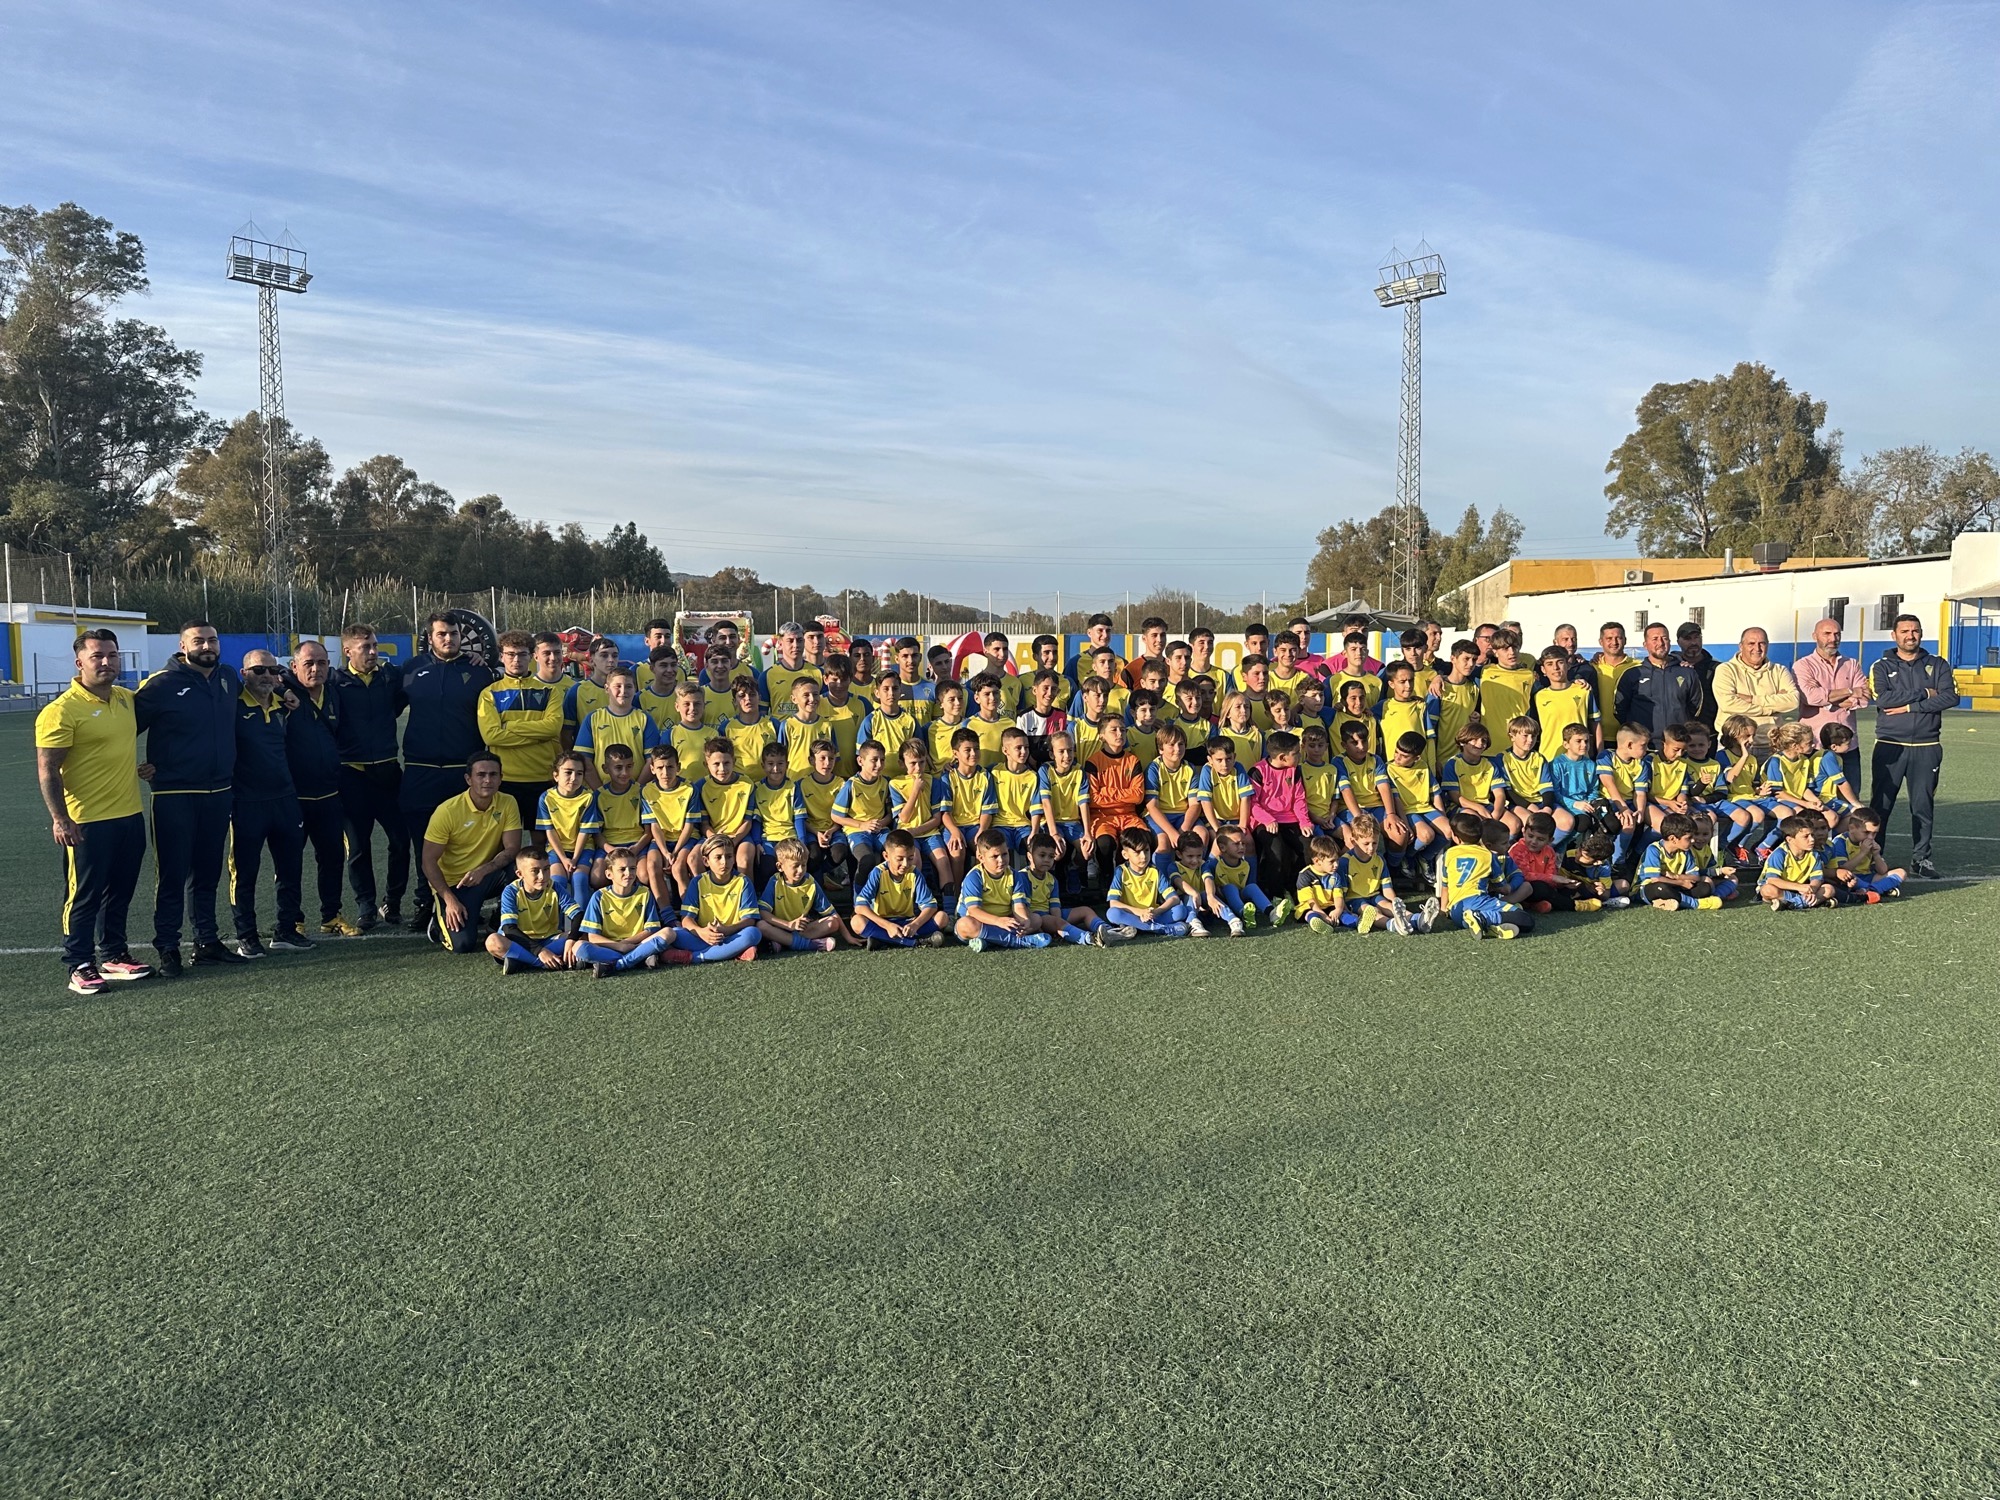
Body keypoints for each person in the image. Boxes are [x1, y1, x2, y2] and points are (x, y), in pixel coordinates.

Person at [36, 628, 154, 995]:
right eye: (97, 656)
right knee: (83, 895)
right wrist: (60, 819)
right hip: (86, 820)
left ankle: (114, 954)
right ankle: (79, 964)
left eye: (112, 655)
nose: (106, 662)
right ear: (79, 663)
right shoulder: (61, 711)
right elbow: (47, 770)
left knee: (120, 891)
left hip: (129, 814)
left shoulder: (126, 699)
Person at [135, 620, 243, 975]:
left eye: (213, 640)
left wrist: (285, 691)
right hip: (174, 793)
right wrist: (136, 766)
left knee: (207, 873)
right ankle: (168, 947)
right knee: (172, 874)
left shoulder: (228, 677)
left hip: (219, 791)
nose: (207, 646)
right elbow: (121, 727)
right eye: (199, 641)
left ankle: (206, 942)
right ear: (183, 646)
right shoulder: (161, 684)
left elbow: (262, 690)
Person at [402, 614, 497, 932]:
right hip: (421, 770)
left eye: (454, 633)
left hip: (462, 771)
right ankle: (424, 903)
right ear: (430, 637)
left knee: (466, 841)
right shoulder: (411, 669)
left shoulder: (479, 671)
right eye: (442, 634)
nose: (449, 639)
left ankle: (468, 900)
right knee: (423, 842)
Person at [229, 648, 312, 958]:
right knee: (244, 873)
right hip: (246, 802)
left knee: (290, 869)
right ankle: (247, 936)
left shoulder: (283, 705)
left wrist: (284, 690)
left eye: (272, 670)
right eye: (258, 670)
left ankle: (286, 930)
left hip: (285, 800)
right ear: (244, 674)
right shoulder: (231, 705)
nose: (266, 675)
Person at [1868, 613, 1958, 880]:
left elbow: (1950, 697)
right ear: (1894, 635)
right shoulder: (1881, 666)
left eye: (1915, 630)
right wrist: (1925, 692)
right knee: (1881, 806)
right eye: (1905, 631)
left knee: (1922, 806)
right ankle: (1874, 857)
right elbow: (1883, 698)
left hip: (1927, 746)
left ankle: (1921, 859)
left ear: (1921, 633)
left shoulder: (1937, 664)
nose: (1910, 635)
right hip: (1890, 745)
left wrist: (1910, 707)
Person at [332, 624, 409, 932]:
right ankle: (366, 906)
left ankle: (393, 902)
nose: (373, 652)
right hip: (352, 776)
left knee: (401, 841)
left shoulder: (390, 677)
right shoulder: (334, 682)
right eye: (366, 647)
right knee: (358, 847)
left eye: (375, 645)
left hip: (388, 774)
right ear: (348, 651)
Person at [419, 751, 523, 953]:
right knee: (463, 945)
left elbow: (512, 849)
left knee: (520, 868)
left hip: (487, 876)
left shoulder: (508, 802)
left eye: (493, 775)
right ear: (468, 779)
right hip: (454, 884)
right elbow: (428, 861)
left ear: (501, 778)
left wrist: (483, 870)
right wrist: (449, 899)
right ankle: (438, 918)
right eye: (481, 775)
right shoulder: (447, 811)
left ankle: (499, 919)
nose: (487, 780)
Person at [283, 640, 351, 938]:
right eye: (308, 663)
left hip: (329, 795)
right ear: (294, 666)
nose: (315, 669)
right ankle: (292, 919)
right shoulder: (282, 693)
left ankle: (331, 916)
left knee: (332, 858)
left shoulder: (333, 693)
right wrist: (282, 687)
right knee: (290, 861)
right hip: (293, 797)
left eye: (321, 663)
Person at [476, 629, 565, 829]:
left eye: (522, 654)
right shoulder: (489, 693)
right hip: (505, 779)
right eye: (510, 654)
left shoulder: (549, 691)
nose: (516, 660)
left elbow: (552, 728)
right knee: (505, 841)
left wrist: (511, 726)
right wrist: (538, 736)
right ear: (501, 656)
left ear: (531, 656)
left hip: (542, 777)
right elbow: (491, 736)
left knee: (540, 841)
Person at [1427, 811, 1533, 939]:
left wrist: (1444, 910)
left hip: (1457, 912)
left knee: (1489, 918)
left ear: (1456, 837)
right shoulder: (1488, 855)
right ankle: (1483, 918)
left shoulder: (1449, 854)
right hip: (1478, 902)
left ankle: (1487, 927)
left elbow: (1445, 886)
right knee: (1526, 920)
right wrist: (1508, 888)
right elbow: (1503, 889)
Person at [1793, 616, 1869, 788]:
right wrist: (1849, 691)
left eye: (1837, 634)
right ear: (1815, 636)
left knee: (1851, 794)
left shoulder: (1852, 664)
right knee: (1815, 795)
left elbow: (1864, 698)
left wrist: (1827, 701)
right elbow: (1811, 697)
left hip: (1848, 745)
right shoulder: (1803, 666)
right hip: (1813, 745)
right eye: (1827, 634)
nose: (1833, 639)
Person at [487, 848, 578, 973]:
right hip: (520, 942)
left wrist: (571, 939)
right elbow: (509, 929)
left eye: (546, 869)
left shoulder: (555, 887)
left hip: (549, 940)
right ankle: (543, 963)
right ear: (520, 874)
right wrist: (540, 951)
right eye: (535, 871)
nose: (542, 876)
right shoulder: (511, 891)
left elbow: (578, 915)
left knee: (583, 935)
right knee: (493, 942)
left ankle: (521, 961)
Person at [1615, 623, 1705, 746]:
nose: (1661, 643)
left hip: (1678, 745)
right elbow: (1619, 710)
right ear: (1645, 644)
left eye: (1664, 638)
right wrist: (1637, 733)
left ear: (1670, 642)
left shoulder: (1687, 673)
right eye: (1655, 639)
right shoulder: (1632, 674)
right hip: (1644, 746)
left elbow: (1696, 707)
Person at [1712, 628, 1799, 752]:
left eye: (1762, 643)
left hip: (1772, 745)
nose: (1757, 648)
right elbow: (1728, 704)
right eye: (1751, 643)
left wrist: (1752, 699)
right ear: (1741, 646)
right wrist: (1770, 708)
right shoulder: (1726, 670)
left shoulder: (1779, 671)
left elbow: (1793, 701)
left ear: (1767, 645)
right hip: (1735, 745)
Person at [764, 621, 820, 713]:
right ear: (780, 644)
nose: (796, 645)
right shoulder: (767, 675)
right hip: (779, 723)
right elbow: (761, 714)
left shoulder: (818, 673)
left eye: (799, 640)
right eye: (790, 641)